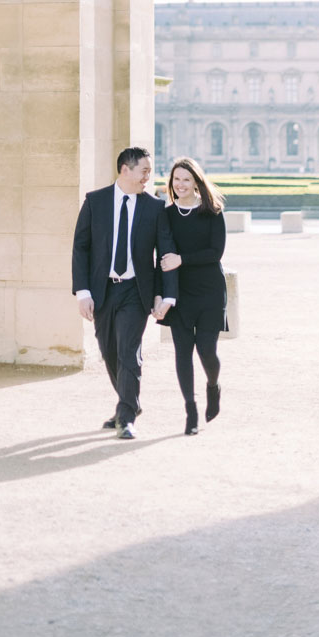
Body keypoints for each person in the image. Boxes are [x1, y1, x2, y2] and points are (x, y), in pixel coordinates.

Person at [71, 146, 179, 439]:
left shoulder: (155, 207)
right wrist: (83, 292)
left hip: (136, 291)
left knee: (129, 353)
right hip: (102, 290)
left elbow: (165, 253)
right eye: (144, 170)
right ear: (125, 170)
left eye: (149, 171)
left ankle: (126, 416)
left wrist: (166, 296)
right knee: (109, 352)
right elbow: (81, 246)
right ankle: (128, 402)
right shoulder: (96, 201)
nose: (148, 176)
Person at [156, 156, 227, 436]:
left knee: (207, 351)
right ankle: (191, 410)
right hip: (180, 294)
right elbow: (161, 257)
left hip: (209, 291)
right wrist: (161, 295)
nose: (181, 184)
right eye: (176, 179)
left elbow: (215, 253)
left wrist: (181, 259)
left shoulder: (212, 211)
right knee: (182, 353)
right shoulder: (167, 215)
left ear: (196, 182)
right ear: (171, 183)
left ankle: (213, 386)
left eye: (186, 179)